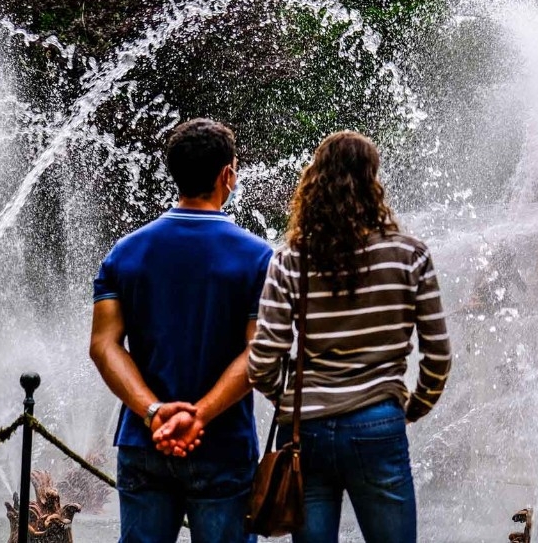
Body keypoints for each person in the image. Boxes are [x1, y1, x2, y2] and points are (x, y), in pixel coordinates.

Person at [248, 130, 451, 543]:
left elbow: (263, 358)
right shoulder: (410, 255)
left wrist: (287, 401)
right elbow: (438, 354)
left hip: (307, 431)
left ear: (315, 181)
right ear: (374, 181)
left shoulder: (291, 260)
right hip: (378, 421)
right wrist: (412, 406)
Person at [90, 118, 273, 543]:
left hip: (143, 440)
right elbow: (259, 351)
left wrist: (155, 413)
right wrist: (199, 415)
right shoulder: (257, 258)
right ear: (227, 174)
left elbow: (103, 346)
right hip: (223, 443)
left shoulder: (125, 252)